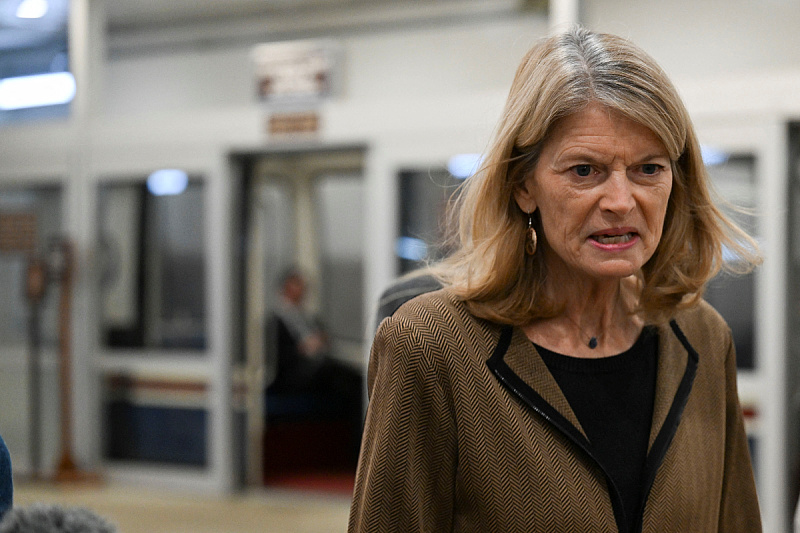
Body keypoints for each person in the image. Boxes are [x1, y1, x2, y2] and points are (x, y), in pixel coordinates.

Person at [349, 26, 762, 533]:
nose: (620, 201)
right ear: (523, 184)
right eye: (585, 170)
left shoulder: (702, 337)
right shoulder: (432, 346)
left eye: (647, 169)